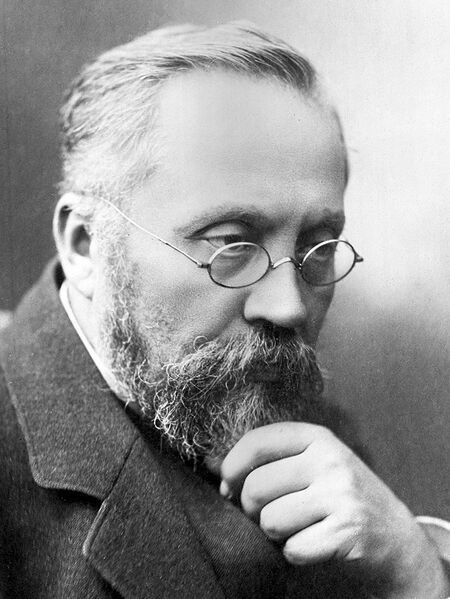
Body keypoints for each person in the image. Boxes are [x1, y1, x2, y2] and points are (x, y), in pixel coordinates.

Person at [0, 22, 448, 599]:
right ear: (86, 245)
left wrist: (414, 566)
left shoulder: (304, 422)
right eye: (232, 245)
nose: (288, 306)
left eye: (317, 246)